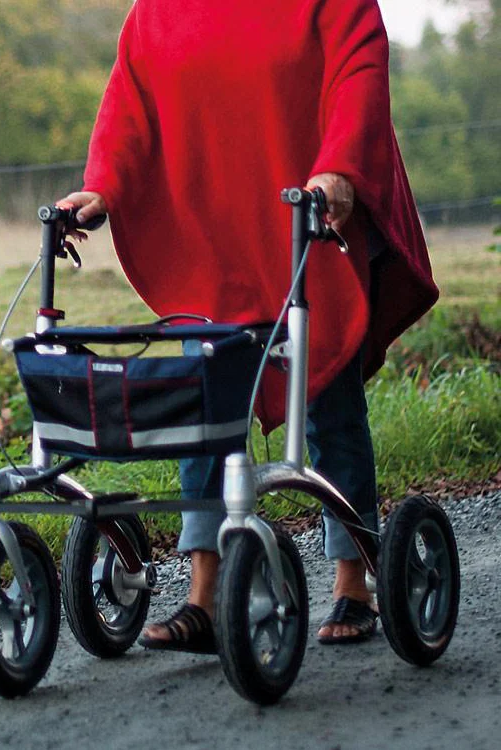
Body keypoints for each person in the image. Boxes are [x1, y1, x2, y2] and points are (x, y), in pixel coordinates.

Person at [56, 0, 438, 650]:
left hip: (311, 217)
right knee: (207, 404)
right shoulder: (158, 12)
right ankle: (204, 595)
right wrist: (104, 187)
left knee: (327, 400)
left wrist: (341, 170)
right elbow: (129, 107)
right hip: (215, 231)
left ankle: (354, 581)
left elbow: (359, 80)